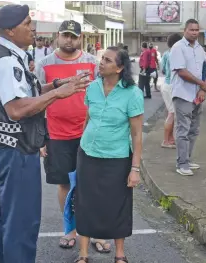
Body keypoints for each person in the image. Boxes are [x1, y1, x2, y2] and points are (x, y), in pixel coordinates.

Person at [0, 5, 91, 262]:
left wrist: (58, 85)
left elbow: (25, 91)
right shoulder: (7, 62)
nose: (33, 28)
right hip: (15, 152)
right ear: (10, 29)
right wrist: (56, 94)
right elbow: (17, 108)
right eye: (27, 23)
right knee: (22, 223)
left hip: (7, 149)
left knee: (10, 219)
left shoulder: (6, 55)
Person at [34, 20, 111, 253]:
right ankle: (69, 229)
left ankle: (97, 231)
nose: (69, 40)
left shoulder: (91, 63)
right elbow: (36, 100)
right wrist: (40, 138)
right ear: (58, 36)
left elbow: (104, 96)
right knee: (64, 184)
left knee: (92, 183)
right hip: (56, 134)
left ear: (80, 38)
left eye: (73, 36)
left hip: (89, 134)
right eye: (65, 35)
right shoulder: (44, 64)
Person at [74, 46, 144, 263]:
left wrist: (135, 169)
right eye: (101, 58)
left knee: (118, 204)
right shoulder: (92, 88)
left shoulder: (132, 93)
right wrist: (82, 143)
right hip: (88, 154)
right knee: (85, 202)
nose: (101, 62)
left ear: (120, 68)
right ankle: (83, 254)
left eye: (108, 60)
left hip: (117, 158)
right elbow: (88, 119)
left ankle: (120, 254)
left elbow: (137, 134)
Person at [170, 19, 206, 176]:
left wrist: (203, 89)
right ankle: (182, 163)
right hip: (183, 95)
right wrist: (201, 83)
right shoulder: (178, 47)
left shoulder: (199, 48)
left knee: (194, 130)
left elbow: (205, 68)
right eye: (191, 29)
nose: (194, 32)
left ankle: (187, 158)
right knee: (183, 130)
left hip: (197, 96)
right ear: (184, 30)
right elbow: (182, 72)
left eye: (196, 30)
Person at [160, 33, 182, 149]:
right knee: (172, 113)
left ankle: (170, 138)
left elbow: (163, 70)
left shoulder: (165, 54)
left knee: (171, 113)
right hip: (171, 86)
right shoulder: (175, 54)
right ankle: (165, 140)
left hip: (166, 85)